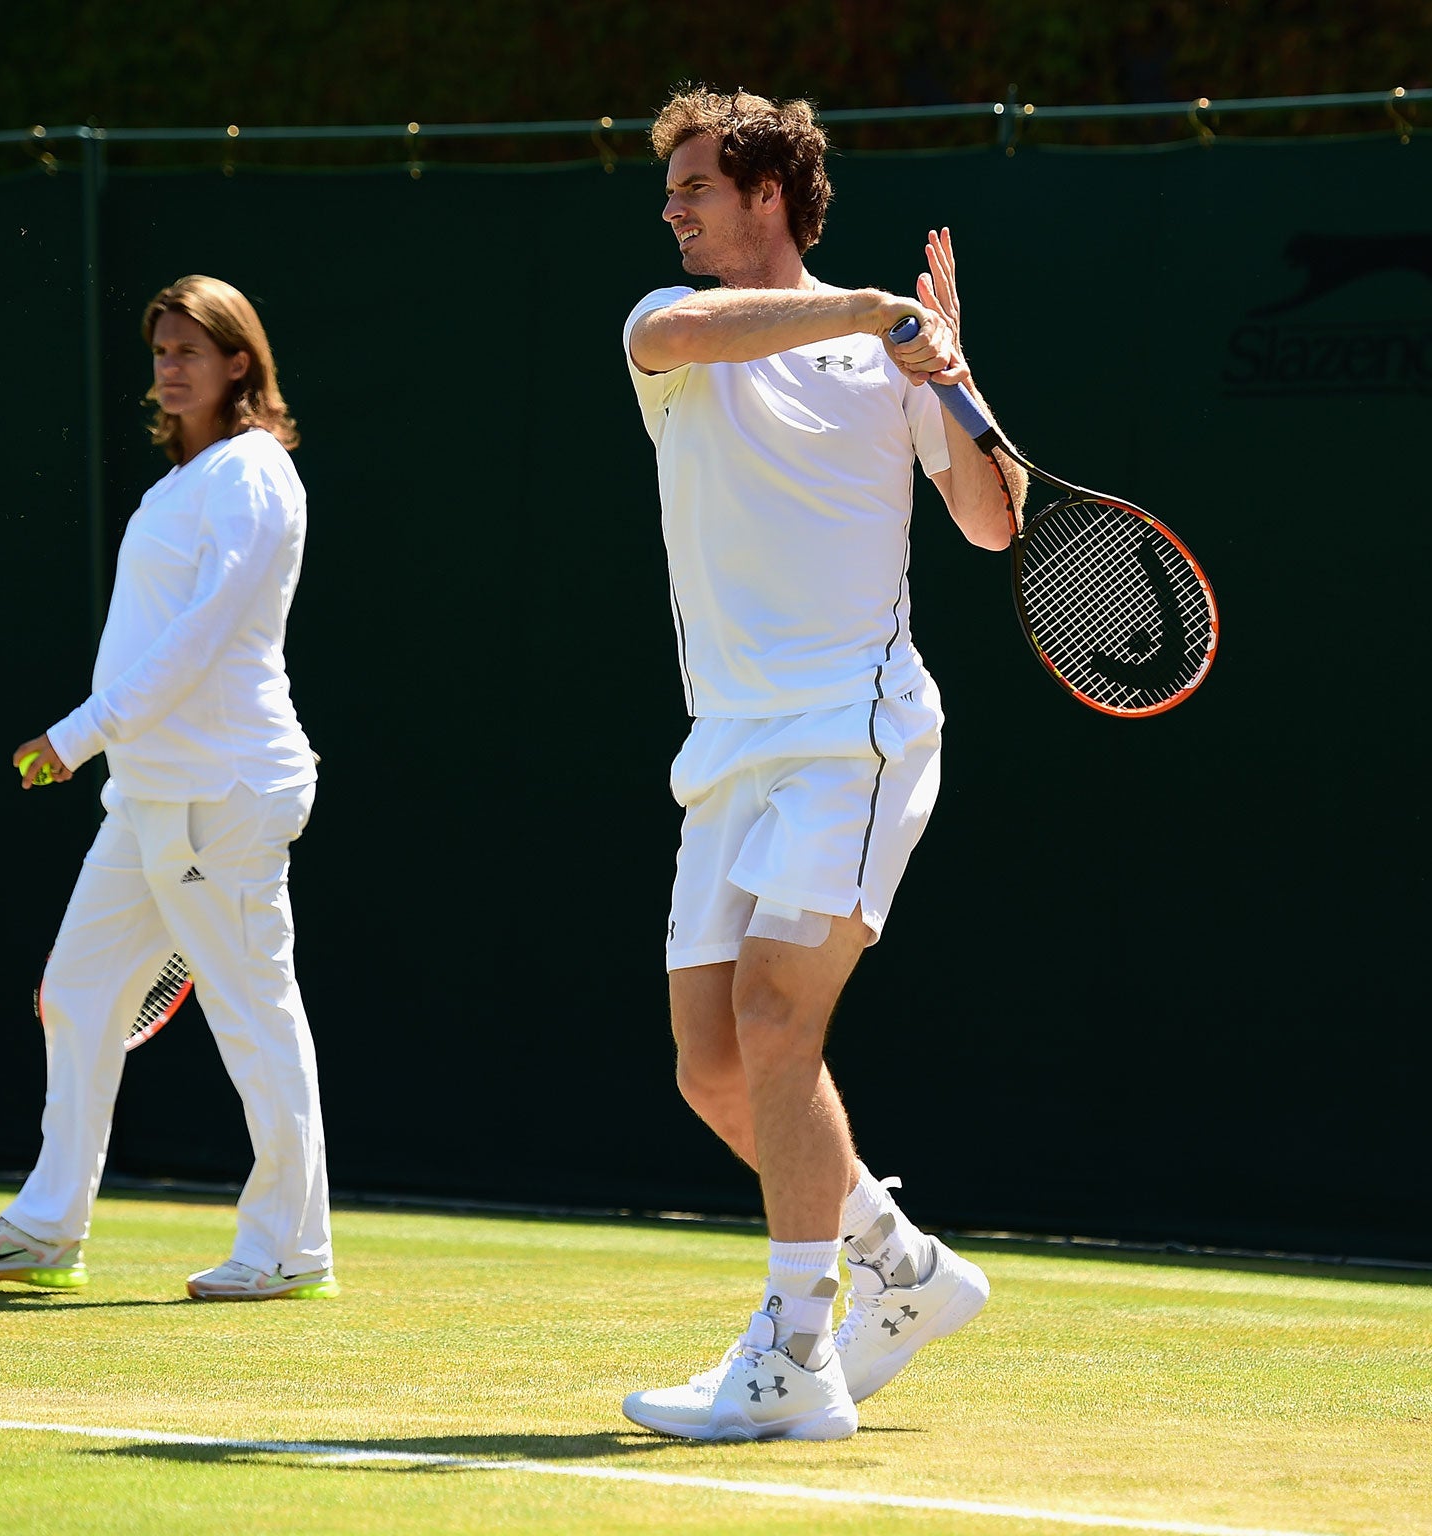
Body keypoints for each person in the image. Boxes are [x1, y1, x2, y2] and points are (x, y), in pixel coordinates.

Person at [617, 89, 1031, 1443]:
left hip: (854, 732)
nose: (672, 206)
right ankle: (902, 1272)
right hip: (726, 747)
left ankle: (797, 1351)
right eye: (670, 186)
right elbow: (684, 327)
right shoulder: (669, 334)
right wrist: (870, 310)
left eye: (695, 185)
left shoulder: (886, 364)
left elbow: (992, 521)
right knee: (711, 1065)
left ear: (768, 196)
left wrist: (952, 378)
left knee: (782, 1025)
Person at [0, 275, 335, 1302]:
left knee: (251, 1013)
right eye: (159, 352)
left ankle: (289, 1247)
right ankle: (46, 1227)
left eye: (190, 350)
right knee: (75, 994)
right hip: (151, 797)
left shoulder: (251, 475)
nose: (169, 369)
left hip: (223, 790)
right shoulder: (183, 482)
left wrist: (79, 735)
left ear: (239, 361)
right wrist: (105, 749)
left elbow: (199, 638)